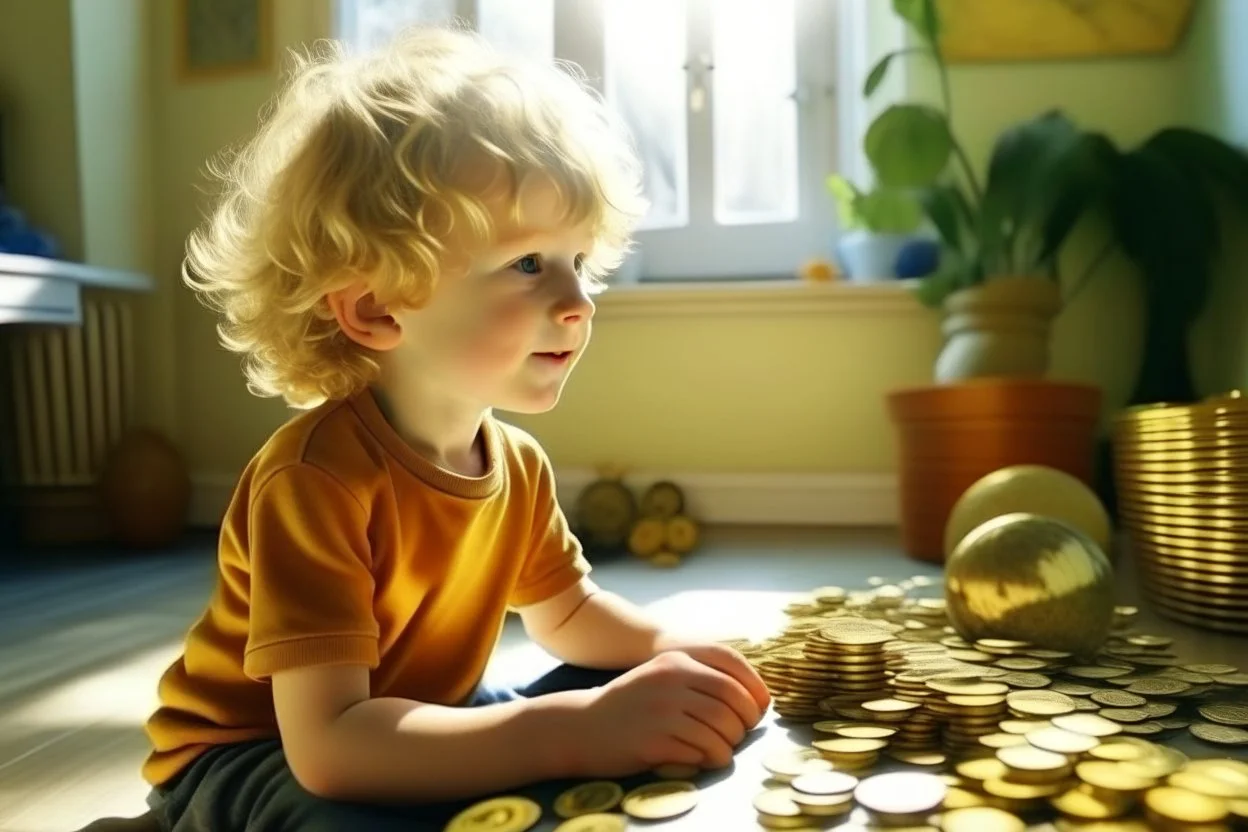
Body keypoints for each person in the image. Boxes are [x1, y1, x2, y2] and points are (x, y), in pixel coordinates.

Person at [135, 22, 771, 832]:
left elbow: (569, 617)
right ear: (373, 307)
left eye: (582, 261)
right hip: (254, 755)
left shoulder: (518, 463)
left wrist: (675, 647)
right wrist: (574, 735)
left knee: (593, 688)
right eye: (529, 264)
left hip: (414, 710)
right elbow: (329, 750)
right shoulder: (314, 479)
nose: (578, 302)